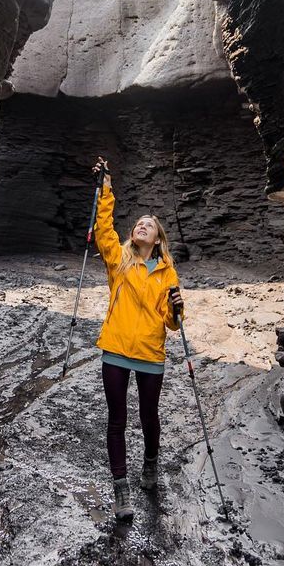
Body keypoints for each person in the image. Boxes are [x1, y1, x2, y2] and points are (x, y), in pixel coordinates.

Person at [91, 157, 184, 522]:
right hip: (115, 349)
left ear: (158, 238)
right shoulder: (119, 262)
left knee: (149, 416)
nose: (142, 226)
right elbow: (104, 229)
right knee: (117, 419)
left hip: (150, 353)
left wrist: (178, 309)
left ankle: (150, 464)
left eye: (150, 225)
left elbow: (173, 323)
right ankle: (121, 490)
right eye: (139, 224)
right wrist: (106, 187)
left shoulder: (166, 272)